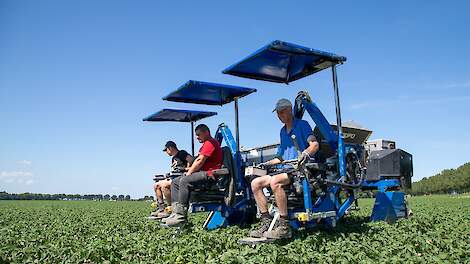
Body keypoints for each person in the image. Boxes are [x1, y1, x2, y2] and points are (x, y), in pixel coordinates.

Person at [249, 98, 319, 239]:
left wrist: (305, 153)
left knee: (275, 181)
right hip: (285, 169)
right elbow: (280, 157)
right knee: (255, 183)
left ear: (289, 110)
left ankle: (284, 226)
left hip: (299, 169)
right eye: (278, 113)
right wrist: (266, 164)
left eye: (281, 112)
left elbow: (314, 145)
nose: (279, 116)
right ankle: (266, 222)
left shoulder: (302, 125)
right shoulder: (282, 131)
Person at [163, 124, 223, 226]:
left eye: (199, 134)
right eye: (196, 135)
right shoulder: (206, 144)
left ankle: (181, 216)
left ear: (206, 132)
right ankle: (175, 212)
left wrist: (189, 173)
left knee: (184, 180)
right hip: (203, 173)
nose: (197, 137)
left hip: (210, 174)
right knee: (175, 182)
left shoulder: (210, 143)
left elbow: (199, 160)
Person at [150, 141, 193, 218]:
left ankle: (171, 208)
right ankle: (161, 208)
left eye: (166, 150)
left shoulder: (182, 153)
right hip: (174, 178)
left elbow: (191, 160)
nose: (166, 152)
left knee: (164, 186)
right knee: (156, 185)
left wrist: (185, 169)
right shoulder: (173, 158)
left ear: (170, 148)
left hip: (182, 177)